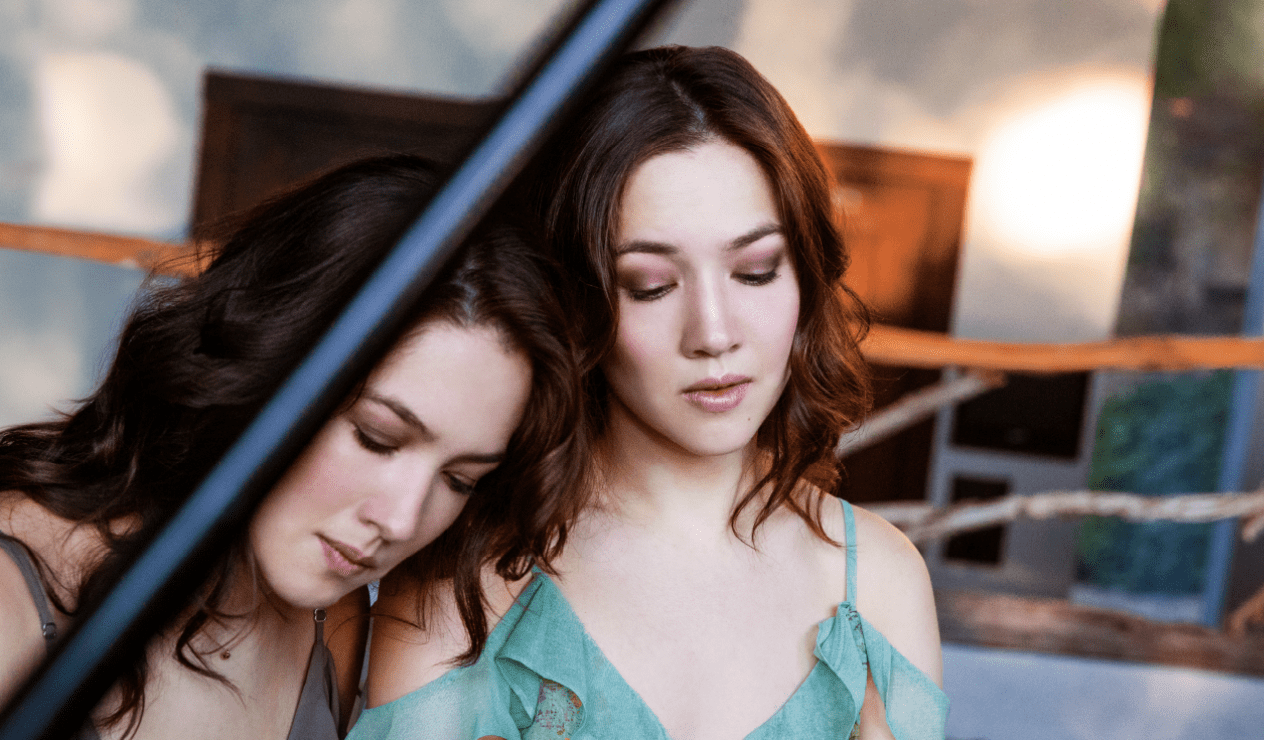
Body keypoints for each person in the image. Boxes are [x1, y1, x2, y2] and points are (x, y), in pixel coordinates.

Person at [358, 46, 947, 739]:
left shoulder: (876, 580)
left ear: (806, 278)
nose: (714, 333)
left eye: (756, 271)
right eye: (651, 285)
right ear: (575, 302)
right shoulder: (464, 582)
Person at [0, 155, 583, 740]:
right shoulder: (16, 601)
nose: (401, 521)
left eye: (460, 479)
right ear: (263, 365)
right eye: (375, 438)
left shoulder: (330, 616)